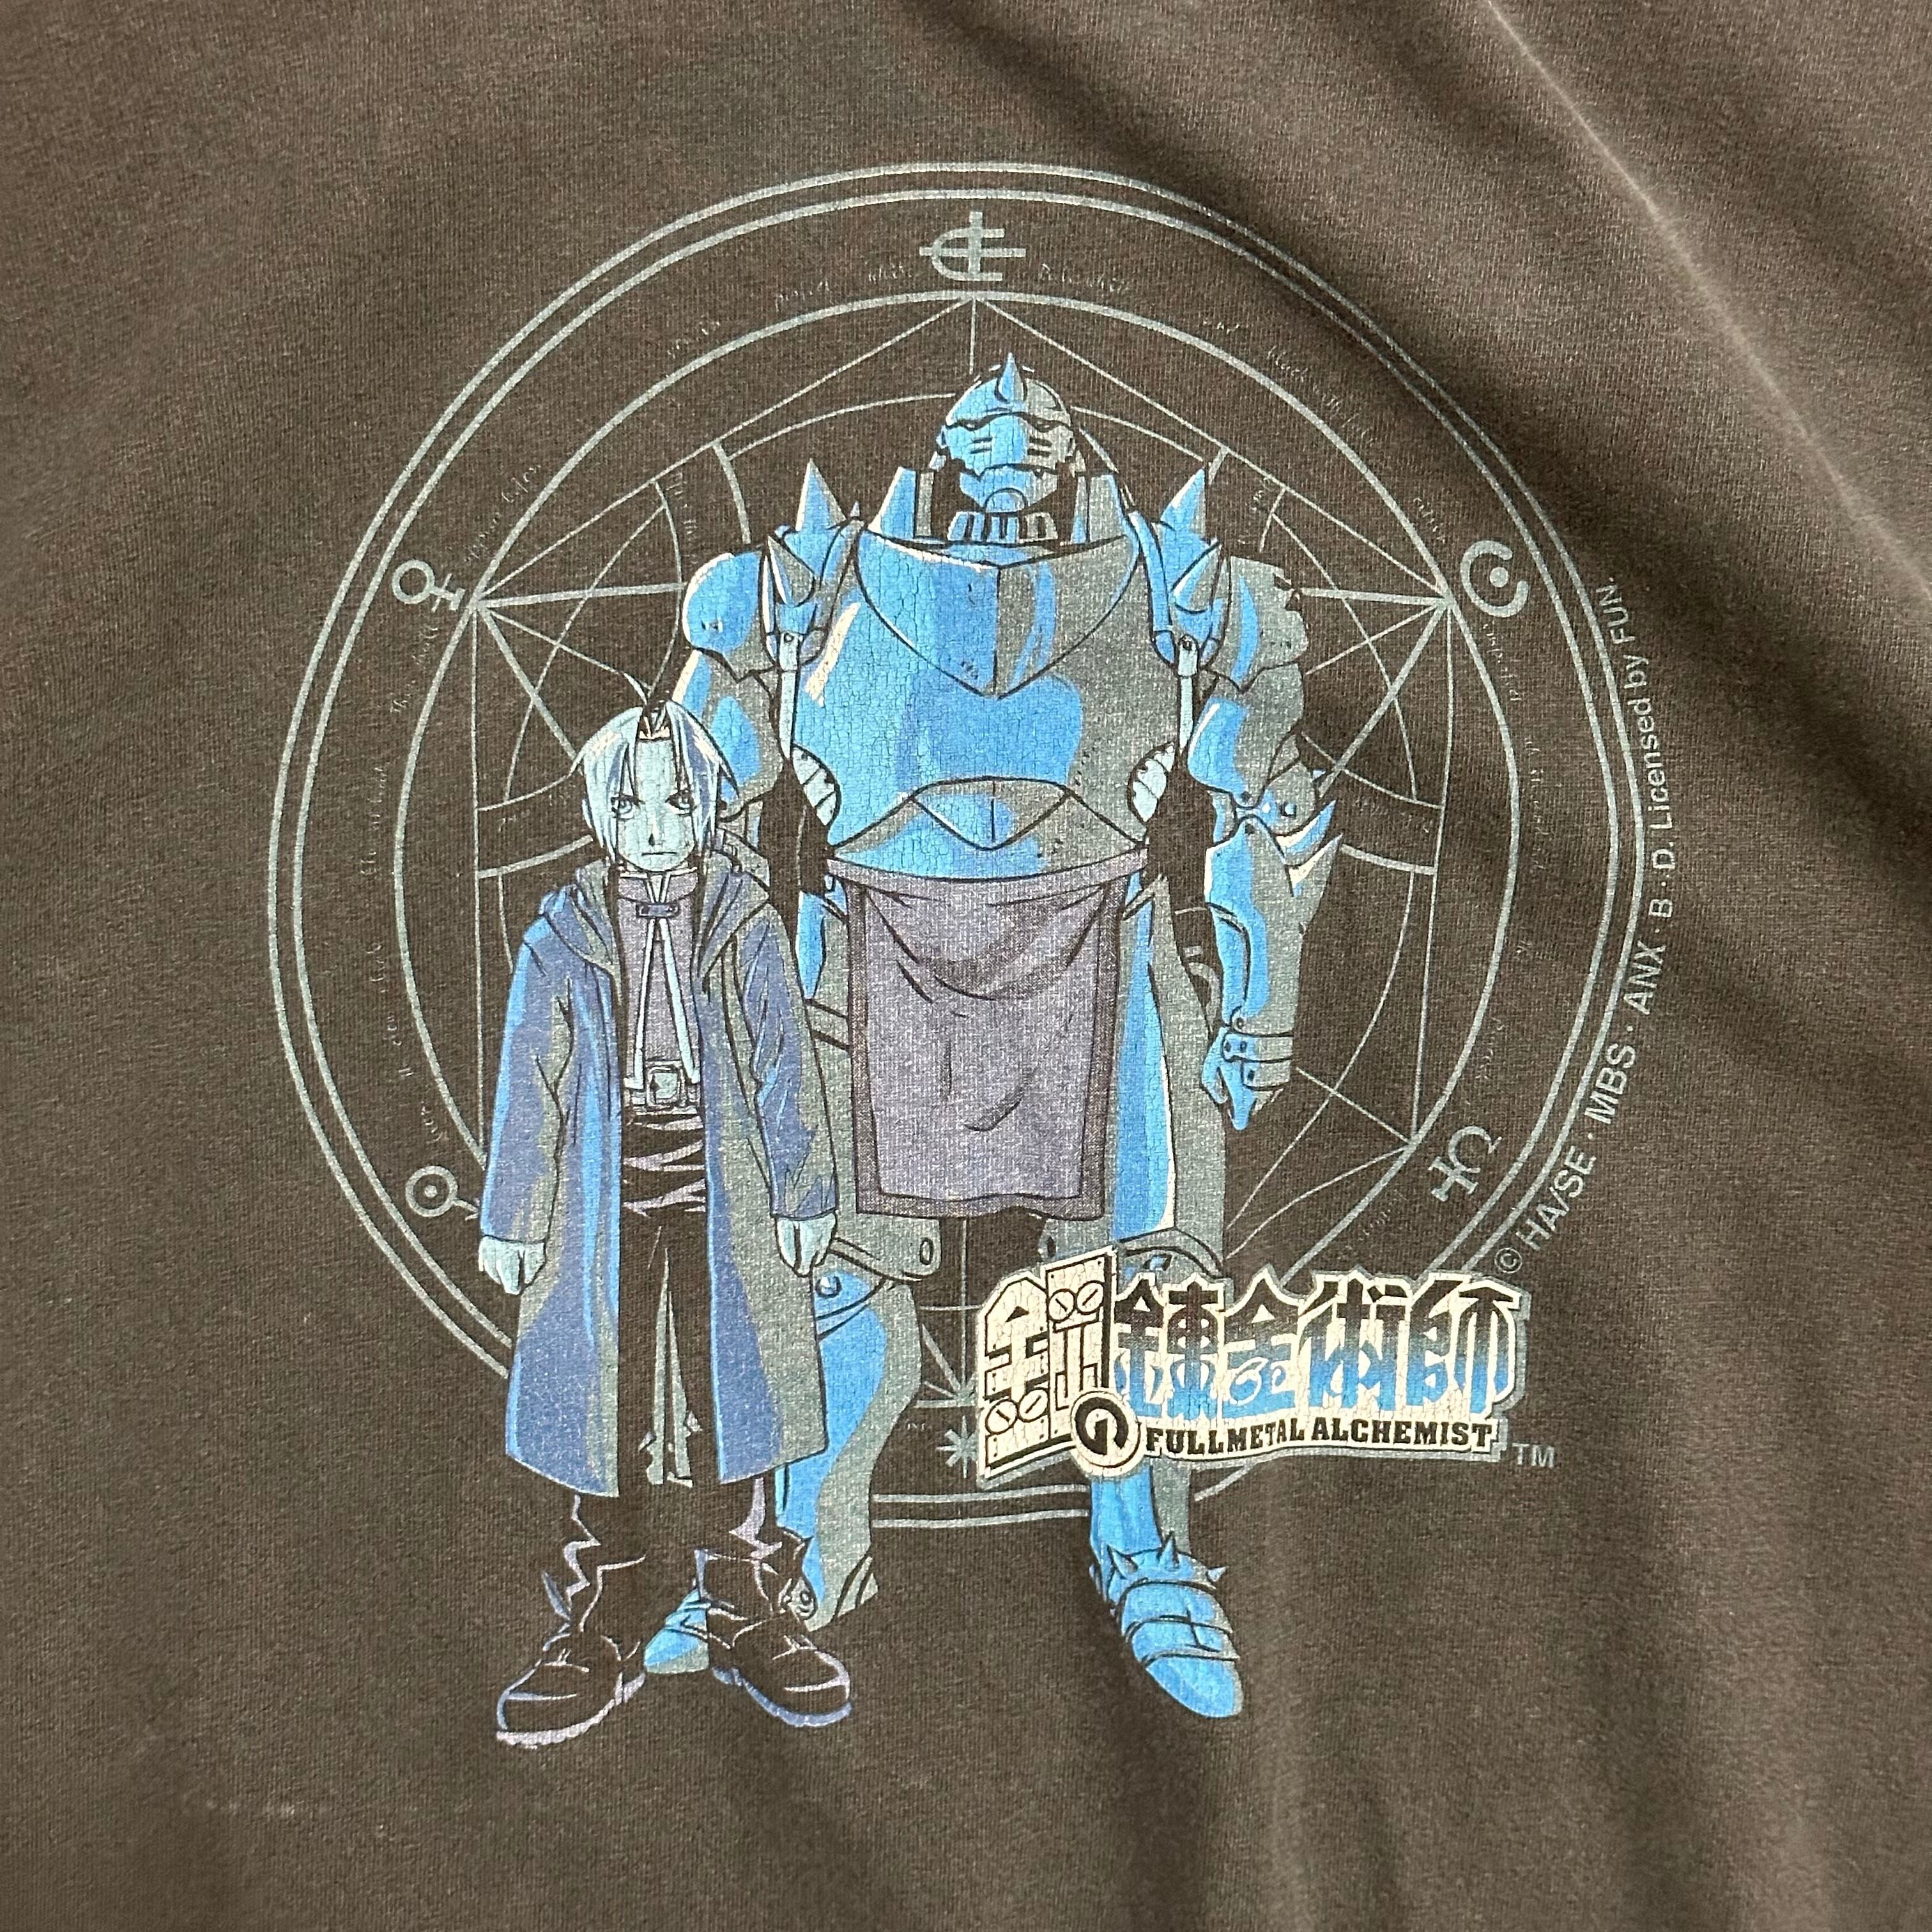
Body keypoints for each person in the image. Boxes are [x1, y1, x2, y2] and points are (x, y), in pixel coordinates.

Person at [668, 356, 1338, 1720]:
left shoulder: (1183, 593)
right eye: (984, 426)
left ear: (1075, 452)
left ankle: (1145, 1552)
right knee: (827, 1268)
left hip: (1105, 936)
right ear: (941, 449)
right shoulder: (797, 591)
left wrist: (1261, 1011)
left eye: (1037, 429)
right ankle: (805, 1551)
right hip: (872, 935)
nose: (1010, 440)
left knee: (1139, 1277)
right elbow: (688, 797)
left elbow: (1267, 809)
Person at [475, 700, 848, 1742]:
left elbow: (786, 1062)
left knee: (741, 1387)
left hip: (725, 1181)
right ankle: (599, 1619)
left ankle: (746, 1606)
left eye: (677, 802)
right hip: (604, 1187)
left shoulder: (744, 919)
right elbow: (531, 1081)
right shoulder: (563, 934)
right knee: (607, 1394)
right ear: (601, 812)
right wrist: (515, 1218)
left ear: (708, 808)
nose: (654, 826)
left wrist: (802, 1190)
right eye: (632, 804)